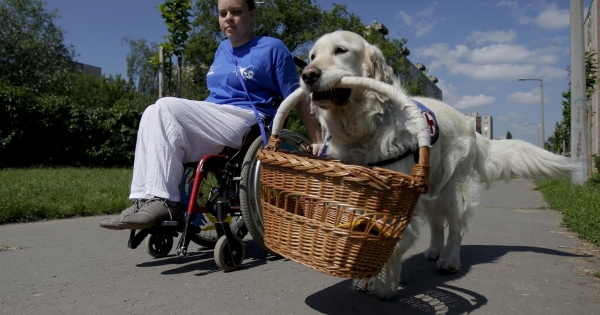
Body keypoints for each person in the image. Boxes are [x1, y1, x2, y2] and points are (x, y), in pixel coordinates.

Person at [100, 0, 321, 230]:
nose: (228, 18)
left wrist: (315, 139)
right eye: (222, 13)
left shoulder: (273, 48)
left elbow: (299, 97)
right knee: (152, 111)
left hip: (247, 120)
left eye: (236, 12)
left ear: (252, 15)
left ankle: (164, 202)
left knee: (165, 106)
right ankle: (144, 200)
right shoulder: (222, 49)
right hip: (216, 117)